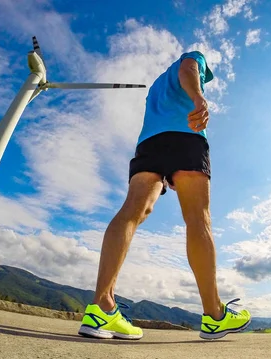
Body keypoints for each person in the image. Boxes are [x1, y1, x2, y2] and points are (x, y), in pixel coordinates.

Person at [78, 51, 251, 340]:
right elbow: (189, 67)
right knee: (198, 220)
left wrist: (166, 171)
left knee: (132, 212)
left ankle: (101, 308)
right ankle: (214, 315)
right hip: (185, 136)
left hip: (149, 144)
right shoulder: (191, 62)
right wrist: (199, 97)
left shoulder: (157, 87)